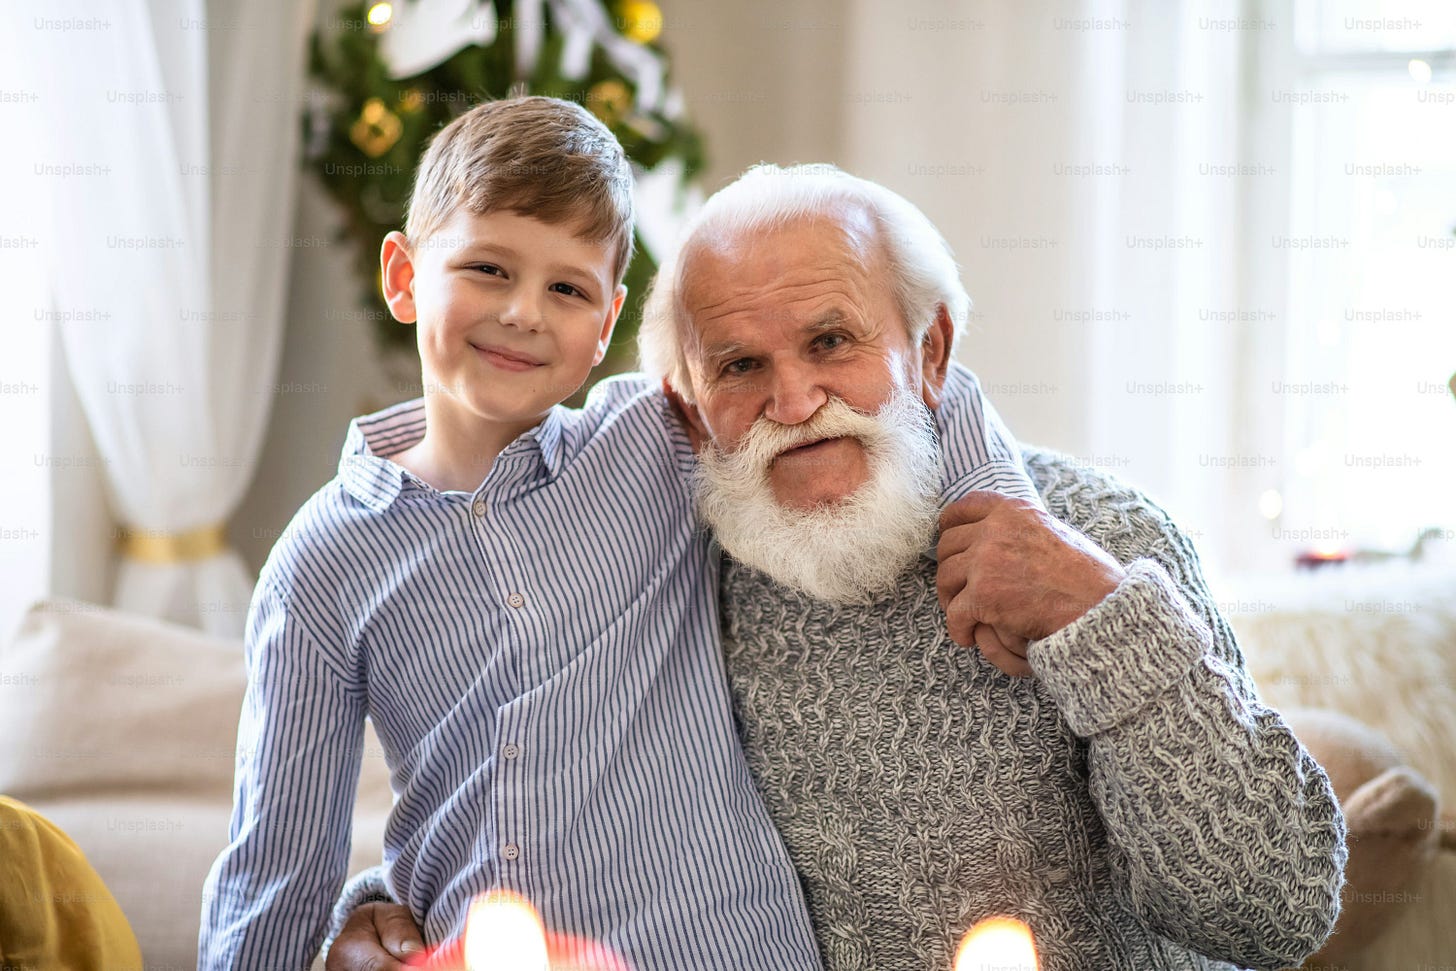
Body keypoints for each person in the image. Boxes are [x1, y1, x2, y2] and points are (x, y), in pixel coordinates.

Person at [328, 164, 1345, 970]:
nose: (795, 397)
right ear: (686, 406)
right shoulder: (676, 556)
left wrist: (1103, 617)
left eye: (830, 339)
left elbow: (1276, 906)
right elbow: (546, 793)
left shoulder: (1094, 536)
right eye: (739, 364)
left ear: (929, 351)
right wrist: (391, 903)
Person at [197, 101, 1034, 969]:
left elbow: (933, 386)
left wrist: (1000, 504)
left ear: (607, 327)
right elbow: (277, 863)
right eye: (488, 268)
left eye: (568, 288)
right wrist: (353, 916)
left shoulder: (655, 439)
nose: (524, 312)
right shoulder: (318, 565)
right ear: (404, 276)